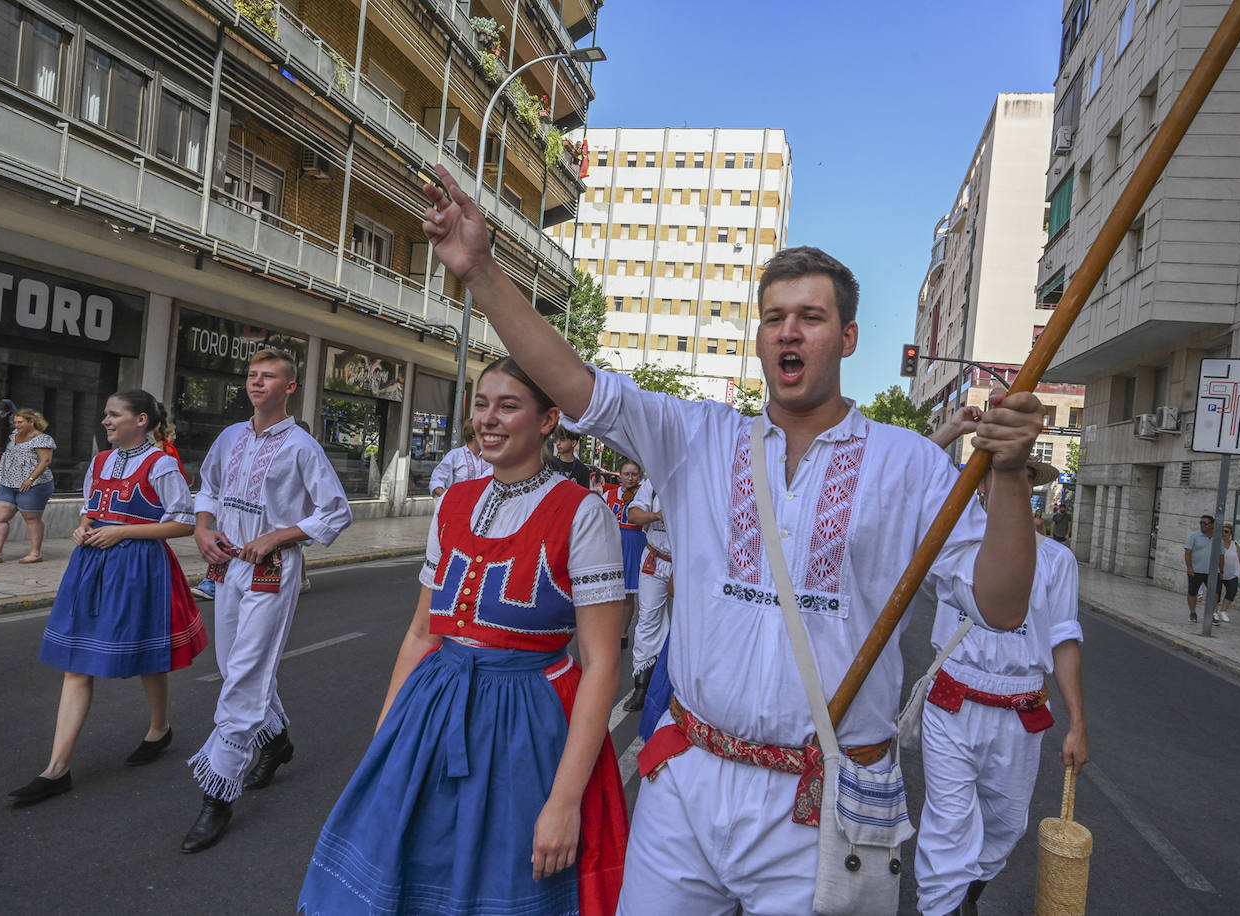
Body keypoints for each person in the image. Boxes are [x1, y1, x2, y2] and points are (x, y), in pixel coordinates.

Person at [418, 164, 1045, 913]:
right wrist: (481, 271)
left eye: (810, 317)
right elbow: (578, 383)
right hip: (689, 783)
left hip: (825, 804)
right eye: (774, 315)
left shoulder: (907, 463)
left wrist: (1007, 478)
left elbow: (1002, 607)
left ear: (846, 337)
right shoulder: (696, 437)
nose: (789, 330)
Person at [298, 356, 629, 914]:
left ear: (548, 420)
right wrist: (383, 743)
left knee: (507, 874)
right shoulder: (453, 503)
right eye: (481, 404)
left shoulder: (582, 512)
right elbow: (423, 634)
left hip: (529, 722)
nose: (489, 419)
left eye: (508, 406)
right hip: (434, 707)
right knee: (407, 866)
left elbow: (600, 663)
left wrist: (565, 800)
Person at [182, 348, 352, 853]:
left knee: (247, 672)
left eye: (269, 376)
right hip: (228, 564)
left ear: (289, 388)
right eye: (253, 375)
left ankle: (218, 793)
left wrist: (279, 536)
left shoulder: (302, 448)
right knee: (232, 661)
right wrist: (203, 530)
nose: (257, 383)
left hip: (271, 572)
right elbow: (208, 487)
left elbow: (335, 512)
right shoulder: (230, 436)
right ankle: (276, 743)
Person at [916, 419, 1088, 915]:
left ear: (1029, 488)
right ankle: (942, 906)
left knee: (1006, 827)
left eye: (1020, 476)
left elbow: (1064, 640)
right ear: (980, 482)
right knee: (948, 825)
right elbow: (898, 476)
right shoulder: (950, 542)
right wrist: (950, 430)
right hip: (953, 698)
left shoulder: (1056, 561)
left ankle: (965, 893)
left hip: (1021, 708)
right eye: (993, 473)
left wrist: (1078, 724)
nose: (1007, 483)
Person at [8, 390, 207, 806]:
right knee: (76, 662)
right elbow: (92, 509)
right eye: (105, 415)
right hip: (91, 565)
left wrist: (122, 531)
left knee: (147, 655)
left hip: (138, 566)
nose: (105, 421)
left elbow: (183, 523)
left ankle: (159, 727)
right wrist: (85, 527)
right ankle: (56, 769)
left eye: (114, 415)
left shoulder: (162, 463)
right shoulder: (99, 461)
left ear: (141, 420)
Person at [0, 408, 56, 564]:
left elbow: (45, 461)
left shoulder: (42, 439)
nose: (16, 425)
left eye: (20, 422)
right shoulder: (14, 435)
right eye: (15, 422)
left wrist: (30, 479)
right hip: (9, 482)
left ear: (31, 422)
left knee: (31, 518)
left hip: (34, 484)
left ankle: (35, 553)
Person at [624, 472, 671, 712]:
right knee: (648, 620)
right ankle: (641, 686)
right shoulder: (654, 481)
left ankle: (679, 689)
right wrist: (656, 515)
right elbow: (633, 515)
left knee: (691, 625)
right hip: (654, 557)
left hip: (689, 563)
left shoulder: (702, 475)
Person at [604, 459, 647, 651]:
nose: (630, 478)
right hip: (612, 542)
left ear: (640, 476)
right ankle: (606, 630)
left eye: (634, 475)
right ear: (619, 475)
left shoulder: (644, 495)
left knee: (628, 594)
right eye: (627, 474)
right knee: (609, 590)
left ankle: (622, 632)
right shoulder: (609, 494)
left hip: (634, 543)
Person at [429, 419, 491, 496]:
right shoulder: (455, 455)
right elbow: (436, 481)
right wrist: (449, 500)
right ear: (474, 435)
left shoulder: (490, 457)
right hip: (459, 506)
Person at [1184, 515, 1217, 624]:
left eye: (1205, 523)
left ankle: (1212, 614)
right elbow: (1187, 552)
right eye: (1201, 523)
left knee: (1214, 593)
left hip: (1212, 572)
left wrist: (1221, 570)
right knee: (1192, 593)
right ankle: (1193, 613)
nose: (1202, 525)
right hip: (1195, 570)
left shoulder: (1217, 538)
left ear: (1212, 525)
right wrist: (1189, 568)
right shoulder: (1193, 536)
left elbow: (1221, 555)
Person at [1217, 523, 1240, 624]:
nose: (1223, 533)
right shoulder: (1217, 543)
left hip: (1232, 573)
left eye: (1226, 531)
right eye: (1222, 531)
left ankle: (1223, 611)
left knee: (1232, 591)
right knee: (1216, 594)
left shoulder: (1235, 545)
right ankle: (1214, 612)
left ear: (1230, 534)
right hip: (1219, 572)